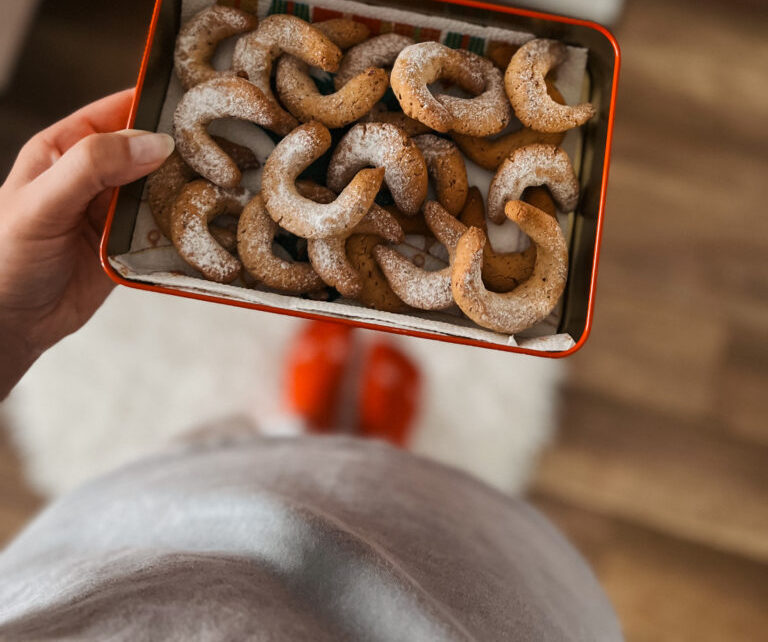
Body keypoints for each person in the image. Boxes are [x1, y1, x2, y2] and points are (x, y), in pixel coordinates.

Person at [0, 91, 622, 640]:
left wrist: (11, 321)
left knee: (222, 490)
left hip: (98, 588)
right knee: (408, 530)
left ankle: (297, 434)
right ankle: (370, 453)